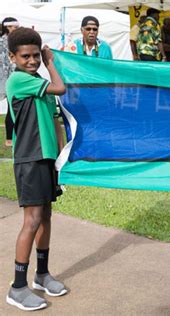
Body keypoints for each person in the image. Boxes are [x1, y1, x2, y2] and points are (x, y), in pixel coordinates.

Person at [5, 27, 67, 311]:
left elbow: (55, 118)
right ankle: (18, 287)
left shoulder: (35, 80)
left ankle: (42, 275)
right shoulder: (19, 80)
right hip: (29, 158)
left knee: (46, 217)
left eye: (35, 56)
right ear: (12, 57)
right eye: (26, 56)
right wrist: (50, 61)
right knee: (31, 220)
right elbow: (61, 88)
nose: (32, 61)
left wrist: (61, 154)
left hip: (46, 157)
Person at [1, 17, 19, 147]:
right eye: (14, 27)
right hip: (5, 78)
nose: (17, 29)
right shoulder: (3, 42)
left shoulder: (15, 42)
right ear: (8, 27)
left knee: (12, 107)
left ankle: (10, 138)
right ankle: (8, 138)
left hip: (11, 78)